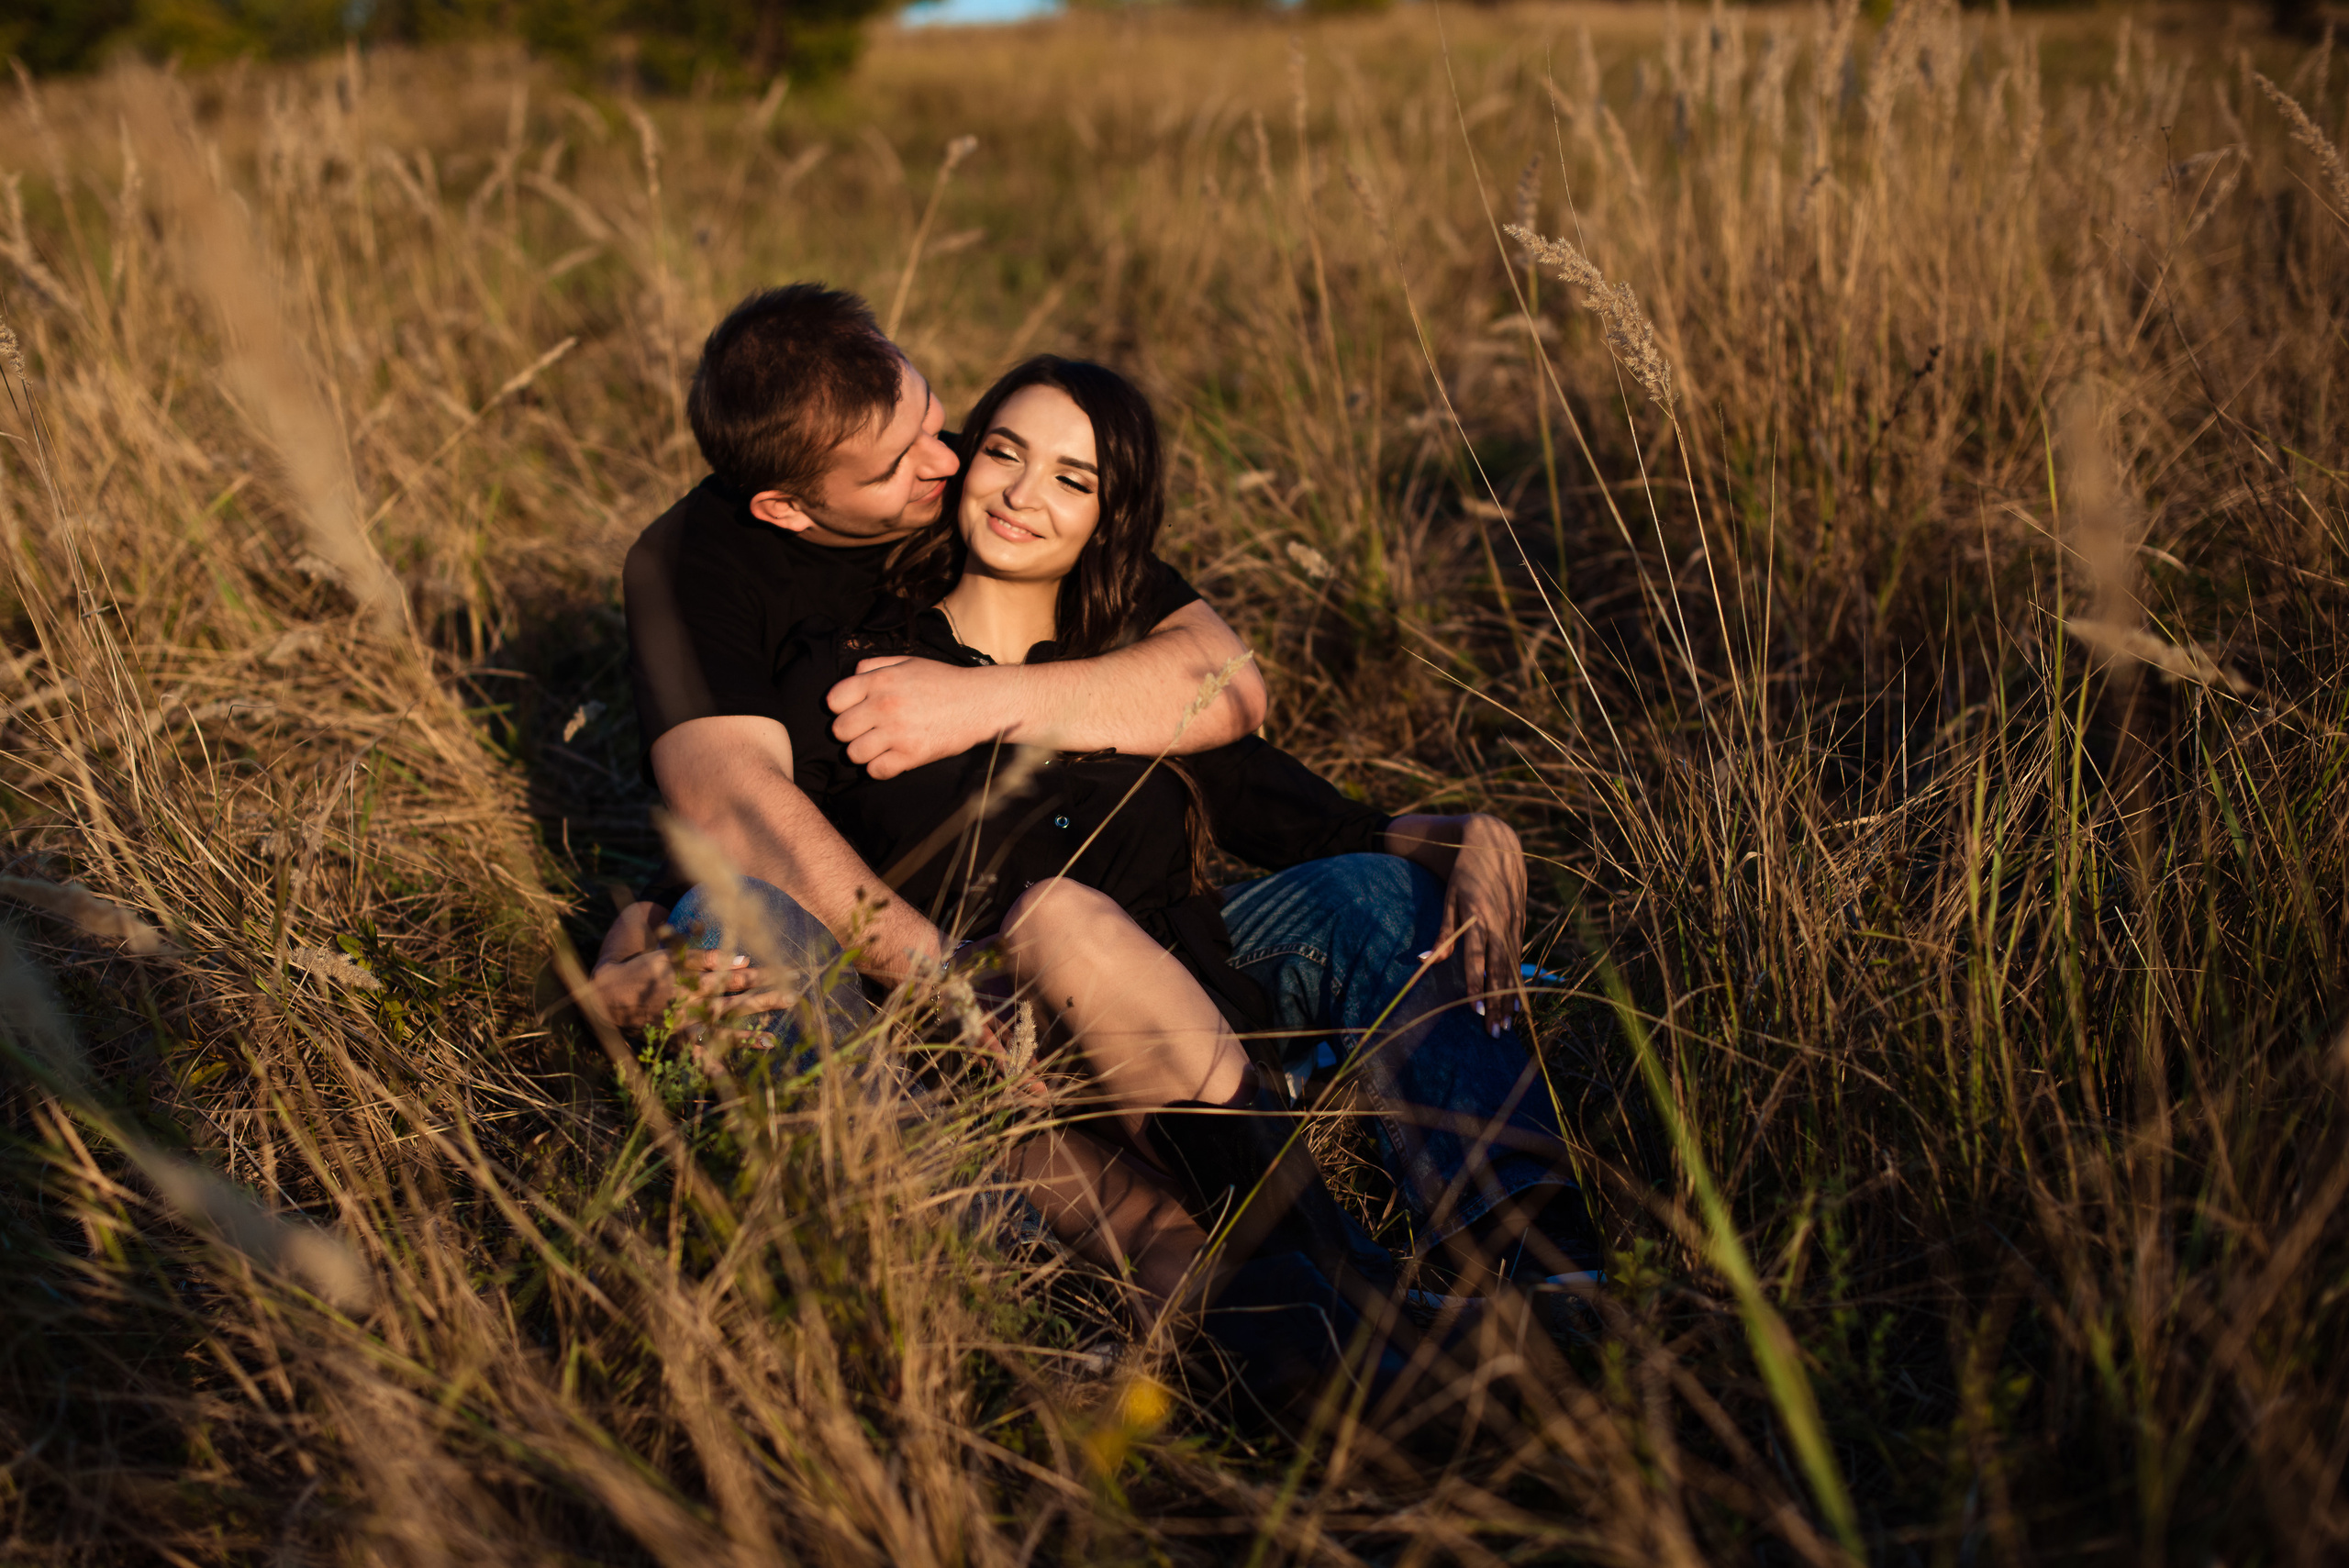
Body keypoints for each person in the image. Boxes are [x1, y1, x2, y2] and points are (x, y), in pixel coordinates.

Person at [596, 285, 1605, 1346]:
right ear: (790, 509)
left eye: (941, 422)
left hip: (1171, 994)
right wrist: (636, 955)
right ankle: (1106, 1289)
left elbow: (1243, 710)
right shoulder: (799, 639)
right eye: (917, 463)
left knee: (1374, 893)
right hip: (948, 992)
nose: (947, 468)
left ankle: (1541, 1262)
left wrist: (1477, 836)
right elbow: (736, 821)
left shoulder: (1071, 593)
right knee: (792, 936)